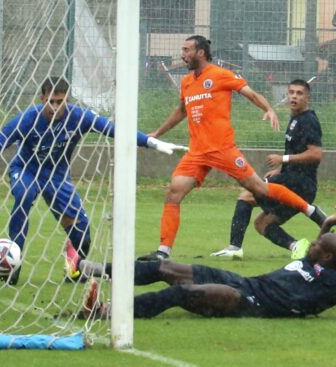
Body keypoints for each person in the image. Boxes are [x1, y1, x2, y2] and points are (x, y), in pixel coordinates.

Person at [0, 77, 187, 285]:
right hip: (26, 170)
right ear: (42, 99)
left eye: (61, 102)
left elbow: (114, 129)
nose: (56, 107)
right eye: (51, 101)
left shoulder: (78, 117)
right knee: (25, 195)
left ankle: (74, 264)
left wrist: (151, 142)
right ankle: (12, 262)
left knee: (82, 231)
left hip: (57, 176)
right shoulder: (28, 119)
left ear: (67, 100)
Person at [137, 35, 326, 261]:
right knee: (173, 193)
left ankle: (311, 210)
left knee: (259, 189)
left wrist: (269, 108)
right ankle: (163, 252)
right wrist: (158, 133)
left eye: (187, 49)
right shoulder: (187, 82)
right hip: (196, 152)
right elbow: (181, 110)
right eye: (183, 49)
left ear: (200, 52)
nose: (182, 54)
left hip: (222, 148)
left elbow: (250, 93)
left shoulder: (220, 75)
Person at [81, 206, 336, 323]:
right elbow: (325, 241)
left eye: (319, 243)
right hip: (244, 282)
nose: (313, 243)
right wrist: (329, 224)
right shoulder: (314, 260)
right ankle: (102, 269)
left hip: (249, 302)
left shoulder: (335, 285)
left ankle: (111, 312)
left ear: (329, 257)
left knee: (185, 291)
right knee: (163, 267)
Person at [211, 79, 323, 261]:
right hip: (293, 179)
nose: (294, 96)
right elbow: (298, 151)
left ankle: (234, 247)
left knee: (246, 196)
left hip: (300, 183)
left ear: (307, 98)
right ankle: (297, 245)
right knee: (262, 224)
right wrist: (280, 169)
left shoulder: (308, 120)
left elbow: (316, 154)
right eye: (291, 92)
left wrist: (283, 159)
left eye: (299, 93)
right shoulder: (296, 119)